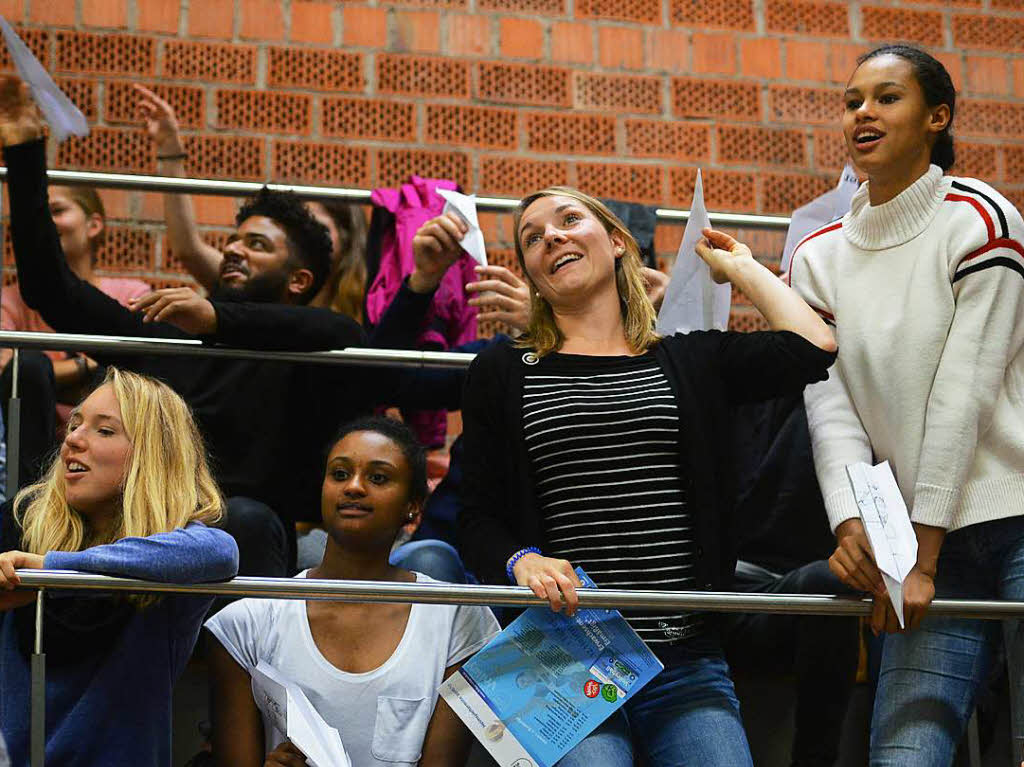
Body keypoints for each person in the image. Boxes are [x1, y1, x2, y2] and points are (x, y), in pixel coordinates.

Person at [0, 74, 464, 576]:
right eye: (235, 240)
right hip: (144, 540)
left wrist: (217, 316)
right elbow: (50, 290)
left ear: (298, 280)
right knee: (25, 511)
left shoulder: (315, 357)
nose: (236, 249)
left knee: (242, 516)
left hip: (245, 547)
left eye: (259, 245)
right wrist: (25, 150)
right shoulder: (168, 335)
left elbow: (348, 341)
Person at [456, 186, 837, 765]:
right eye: (532, 238)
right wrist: (520, 561)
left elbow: (815, 346)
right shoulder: (503, 371)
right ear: (533, 276)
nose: (551, 236)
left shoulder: (689, 359)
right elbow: (477, 514)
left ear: (615, 243)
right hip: (562, 655)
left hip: (687, 660)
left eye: (568, 220)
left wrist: (741, 268)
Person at [787, 44, 1024, 765]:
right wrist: (855, 525)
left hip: (1011, 517)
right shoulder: (815, 257)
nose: (864, 112)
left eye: (887, 98)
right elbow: (832, 412)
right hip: (922, 545)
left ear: (936, 118)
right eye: (853, 99)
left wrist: (916, 553)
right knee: (903, 750)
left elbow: (965, 390)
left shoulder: (982, 218)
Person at [205, 416, 499, 767]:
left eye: (378, 477)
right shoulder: (246, 623)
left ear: (414, 504)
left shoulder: (457, 617)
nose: (354, 487)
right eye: (340, 474)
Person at [0, 367, 239, 767]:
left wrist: (53, 571)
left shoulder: (173, 560)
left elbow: (220, 551)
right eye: (74, 425)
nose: (73, 439)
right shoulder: (20, 523)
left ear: (152, 455)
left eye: (104, 431)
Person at [136, 84, 371, 318]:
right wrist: (170, 151)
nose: (301, 228)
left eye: (315, 224)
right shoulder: (255, 276)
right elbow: (188, 248)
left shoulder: (368, 301)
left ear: (347, 238)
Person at [722, 393, 859, 767]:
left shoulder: (830, 390)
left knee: (832, 585)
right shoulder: (706, 374)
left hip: (797, 582)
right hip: (711, 584)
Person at [0, 181, 149, 485]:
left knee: (108, 376)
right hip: (30, 454)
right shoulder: (10, 299)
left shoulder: (131, 293)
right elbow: (6, 372)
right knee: (27, 369)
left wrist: (51, 381)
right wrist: (84, 366)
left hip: (114, 460)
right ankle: (25, 506)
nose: (45, 222)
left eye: (57, 211)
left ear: (94, 225)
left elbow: (141, 375)